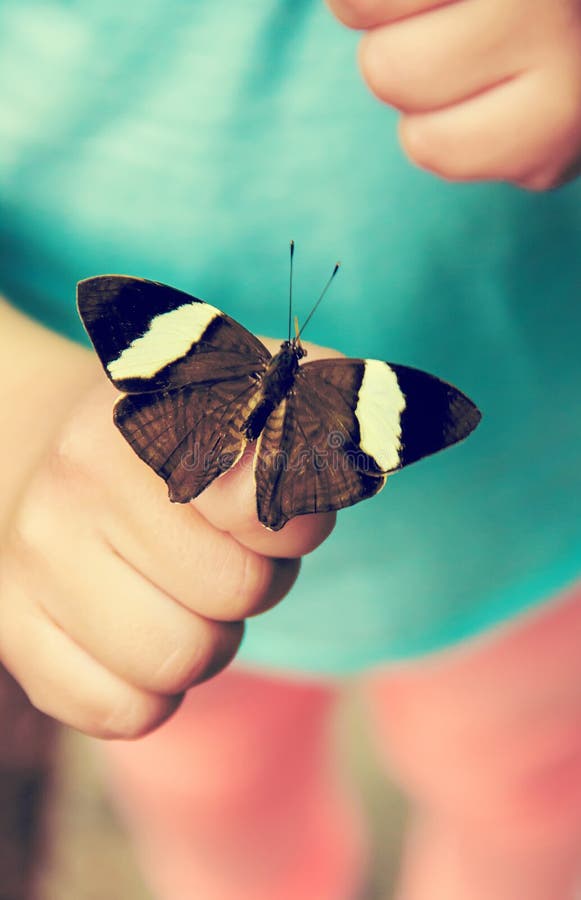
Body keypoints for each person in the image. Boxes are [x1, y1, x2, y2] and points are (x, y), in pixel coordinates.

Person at [0, 1, 580, 897]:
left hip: (528, 523)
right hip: (128, 543)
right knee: (209, 798)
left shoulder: (218, 349)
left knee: (529, 793)